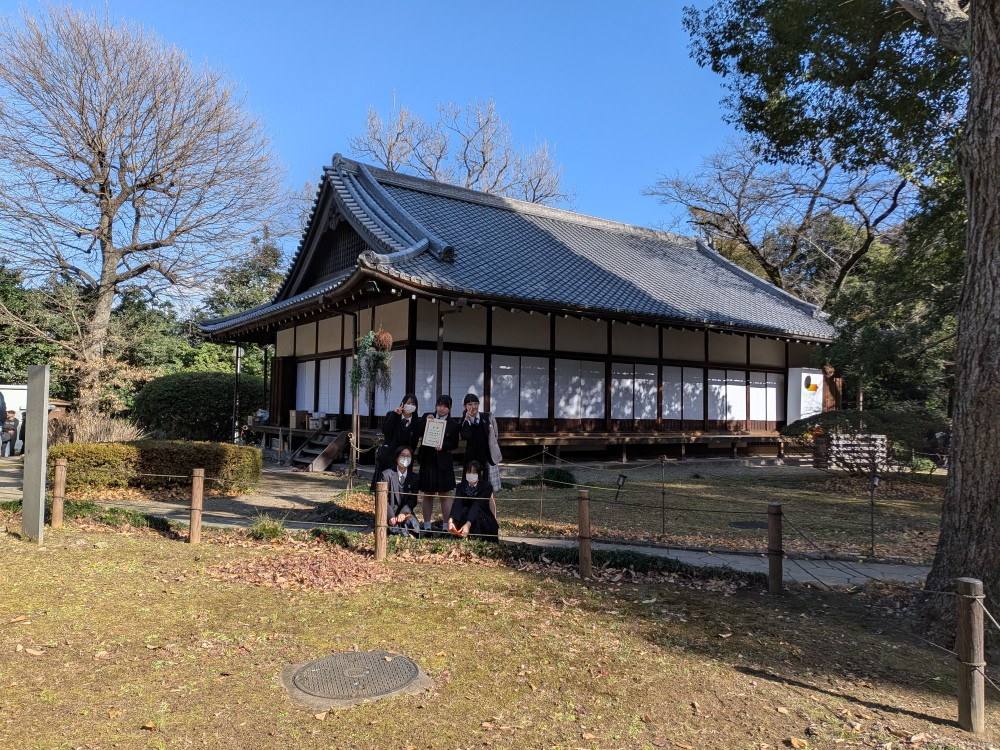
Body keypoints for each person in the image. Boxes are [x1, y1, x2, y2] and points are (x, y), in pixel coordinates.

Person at [416, 394, 459, 532]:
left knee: (445, 495)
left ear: (449, 408)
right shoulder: (427, 416)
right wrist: (425, 423)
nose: (441, 408)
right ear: (435, 406)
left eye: (445, 406)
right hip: (428, 460)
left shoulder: (453, 424)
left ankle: (447, 526)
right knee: (428, 494)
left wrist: (443, 445)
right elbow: (417, 431)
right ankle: (427, 524)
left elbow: (454, 444)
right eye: (439, 405)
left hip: (443, 463)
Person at [371, 394, 420, 492]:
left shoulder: (416, 421)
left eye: (413, 404)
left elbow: (414, 440)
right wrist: (395, 414)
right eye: (408, 403)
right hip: (389, 456)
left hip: (405, 459)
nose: (411, 405)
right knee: (385, 486)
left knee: (402, 488)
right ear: (402, 404)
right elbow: (386, 430)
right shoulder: (392, 415)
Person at [458, 393, 503, 491]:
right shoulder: (463, 421)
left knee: (487, 489)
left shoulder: (488, 417)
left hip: (487, 457)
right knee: (470, 488)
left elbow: (495, 435)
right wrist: (467, 420)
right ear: (465, 406)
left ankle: (488, 506)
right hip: (471, 458)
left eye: (475, 404)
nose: (473, 407)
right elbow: (466, 435)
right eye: (470, 404)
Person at [448, 460, 499, 542]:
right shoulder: (461, 486)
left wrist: (468, 524)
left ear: (480, 473)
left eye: (474, 472)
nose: (471, 475)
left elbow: (477, 504)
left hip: (482, 514)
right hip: (465, 513)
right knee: (462, 514)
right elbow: (457, 502)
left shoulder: (486, 487)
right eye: (469, 472)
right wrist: (451, 520)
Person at [379, 446, 421, 537]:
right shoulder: (386, 475)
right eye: (402, 455)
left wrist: (403, 513)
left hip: (405, 513)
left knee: (414, 527)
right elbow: (382, 500)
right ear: (397, 457)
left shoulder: (414, 477)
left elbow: (412, 500)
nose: (405, 458)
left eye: (408, 456)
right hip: (389, 512)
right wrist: (390, 516)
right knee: (391, 530)